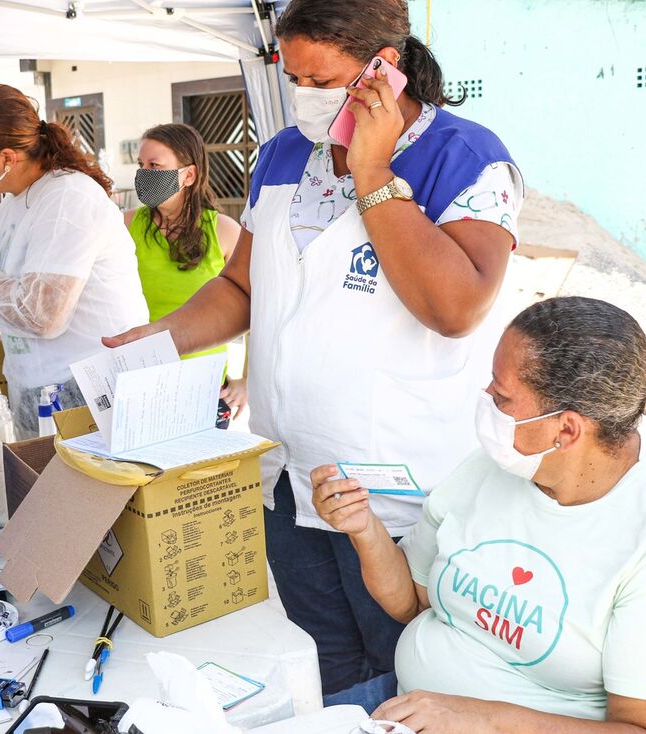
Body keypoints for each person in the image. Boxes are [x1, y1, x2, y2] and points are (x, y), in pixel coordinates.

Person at [106, 0, 524, 696]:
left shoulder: (466, 156)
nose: (301, 95)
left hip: (396, 490)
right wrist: (163, 335)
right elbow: (244, 287)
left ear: (383, 69)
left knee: (408, 671)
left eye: (320, 79)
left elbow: (454, 308)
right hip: (287, 476)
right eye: (290, 74)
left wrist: (371, 167)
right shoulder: (281, 154)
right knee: (325, 663)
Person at [313, 297, 646, 730]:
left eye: (502, 395)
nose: (486, 398)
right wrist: (364, 529)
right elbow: (412, 603)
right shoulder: (490, 467)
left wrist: (486, 719)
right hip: (403, 707)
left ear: (565, 429)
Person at [0, 83, 149, 438]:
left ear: (6, 157)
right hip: (41, 389)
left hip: (91, 392)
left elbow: (43, 315)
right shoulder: (13, 204)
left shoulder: (68, 198)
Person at [125, 123, 247, 426]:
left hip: (205, 393)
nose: (144, 174)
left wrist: (248, 381)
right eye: (141, 165)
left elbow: (257, 308)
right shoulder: (124, 226)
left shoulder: (225, 231)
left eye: (155, 166)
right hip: (141, 388)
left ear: (188, 175)